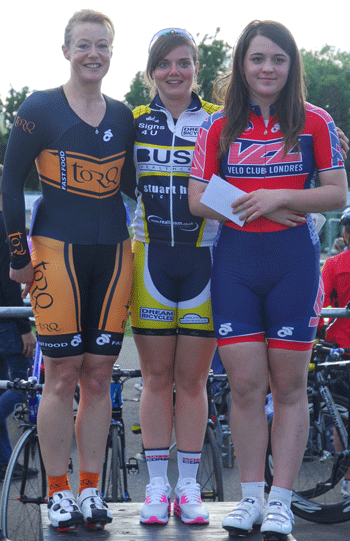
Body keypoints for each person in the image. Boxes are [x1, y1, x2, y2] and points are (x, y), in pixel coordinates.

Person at [188, 20, 348, 539]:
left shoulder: (316, 122)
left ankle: (281, 500)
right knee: (245, 387)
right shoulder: (218, 127)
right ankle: (250, 497)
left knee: (289, 387)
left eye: (278, 59)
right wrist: (252, 209)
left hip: (294, 268)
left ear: (291, 64)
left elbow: (337, 193)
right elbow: (195, 200)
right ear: (242, 64)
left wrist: (281, 198)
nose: (267, 69)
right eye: (257, 58)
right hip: (234, 266)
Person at [1, 10, 136, 531]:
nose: (93, 54)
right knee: (60, 376)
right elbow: (11, 185)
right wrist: (19, 256)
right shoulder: (39, 107)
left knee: (99, 376)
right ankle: (57, 490)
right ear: (66, 51)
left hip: (115, 254)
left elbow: (138, 183)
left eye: (102, 45)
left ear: (110, 52)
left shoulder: (124, 115)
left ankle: (88, 489)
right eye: (83, 45)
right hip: (55, 253)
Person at [130, 28, 220, 525]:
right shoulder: (133, 122)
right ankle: (156, 487)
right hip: (151, 260)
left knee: (192, 380)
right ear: (151, 72)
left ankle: (189, 486)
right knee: (155, 378)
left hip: (205, 258)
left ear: (196, 69)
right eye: (164, 64)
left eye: (184, 62)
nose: (174, 72)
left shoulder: (219, 122)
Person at [0, 164, 37, 480]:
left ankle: (4, 462)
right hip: (8, 320)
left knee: (3, 386)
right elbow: (9, 282)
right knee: (24, 382)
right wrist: (25, 328)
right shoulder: (5, 227)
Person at [319, 207, 350, 499]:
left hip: (340, 347)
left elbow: (321, 305)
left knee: (340, 414)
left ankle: (347, 479)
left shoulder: (334, 264)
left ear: (344, 233)